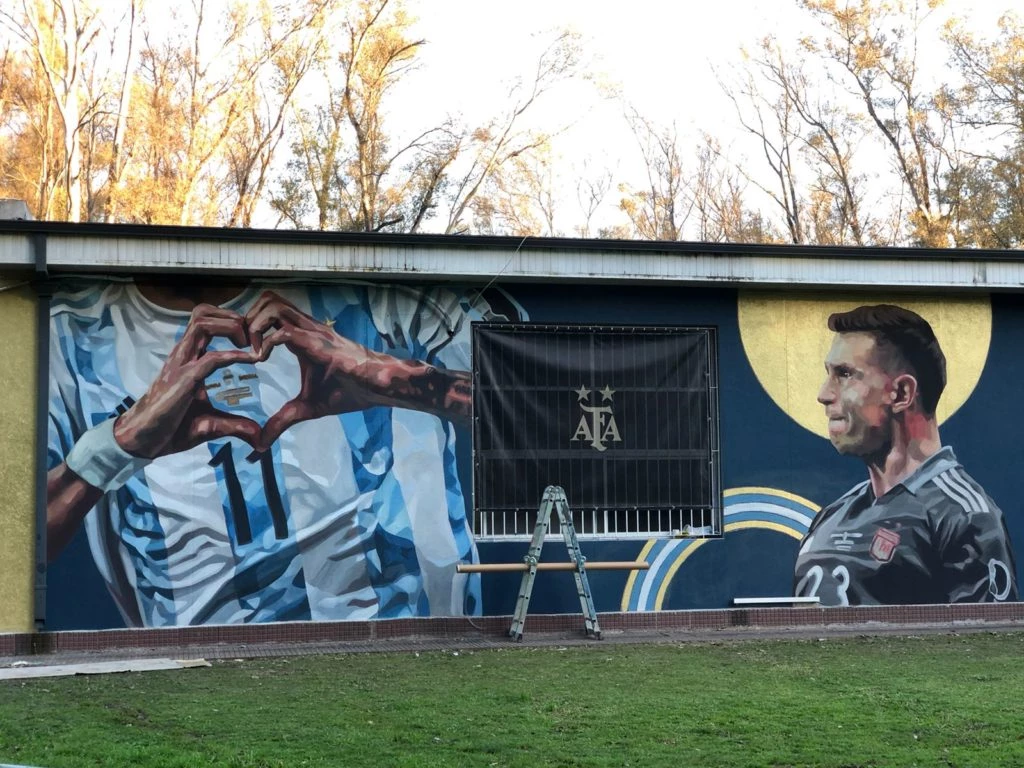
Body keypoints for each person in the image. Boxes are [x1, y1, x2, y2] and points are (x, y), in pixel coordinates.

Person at [46, 278, 522, 627]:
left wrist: (395, 380)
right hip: (206, 689)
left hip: (424, 659)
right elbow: (19, 544)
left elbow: (545, 406)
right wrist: (116, 446)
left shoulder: (392, 289)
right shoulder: (66, 335)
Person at [794, 304, 1017, 606]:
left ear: (901, 393)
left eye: (844, 374)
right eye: (829, 374)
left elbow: (986, 635)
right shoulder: (830, 517)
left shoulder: (964, 516)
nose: (823, 394)